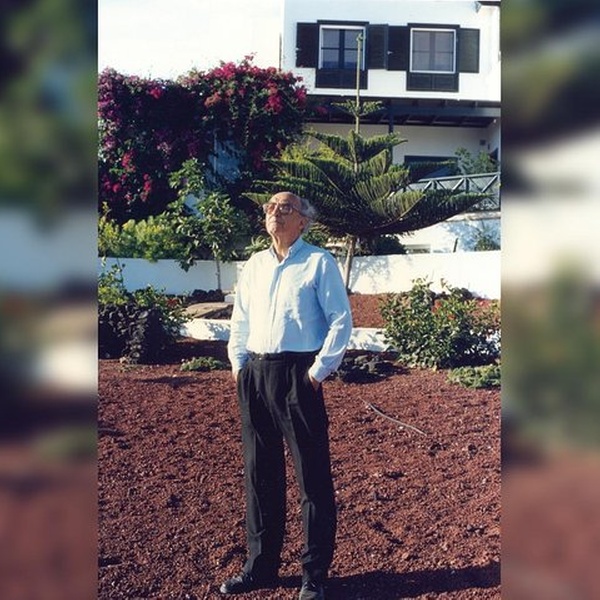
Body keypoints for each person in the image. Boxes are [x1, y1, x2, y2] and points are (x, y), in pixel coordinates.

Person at [221, 192, 352, 600]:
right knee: (260, 474)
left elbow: (341, 321)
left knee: (312, 478)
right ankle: (260, 566)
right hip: (255, 375)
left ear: (303, 222)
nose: (275, 212)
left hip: (298, 376)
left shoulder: (318, 262)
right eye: (270, 207)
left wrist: (316, 373)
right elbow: (240, 319)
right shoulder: (255, 265)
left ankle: (314, 575)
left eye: (286, 208)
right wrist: (239, 366)